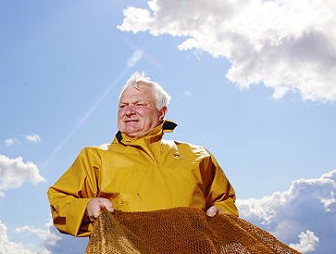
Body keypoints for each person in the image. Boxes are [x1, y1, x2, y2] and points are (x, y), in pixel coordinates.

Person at [48, 71, 238, 237]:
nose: (129, 111)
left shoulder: (199, 155)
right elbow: (61, 201)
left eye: (138, 104)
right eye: (123, 106)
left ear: (162, 113)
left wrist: (221, 211)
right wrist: (87, 206)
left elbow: (224, 200)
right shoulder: (94, 156)